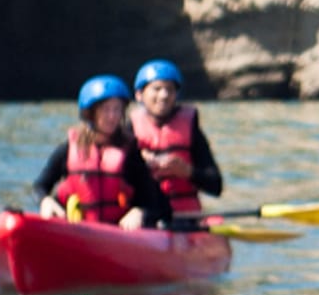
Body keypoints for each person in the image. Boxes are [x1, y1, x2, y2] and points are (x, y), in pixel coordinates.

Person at [32, 75, 169, 228]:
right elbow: (40, 186)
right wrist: (45, 201)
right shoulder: (68, 149)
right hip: (77, 230)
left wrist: (139, 212)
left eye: (117, 109)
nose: (112, 116)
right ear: (90, 113)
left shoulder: (130, 152)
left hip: (117, 234)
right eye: (105, 109)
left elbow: (153, 201)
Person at [126, 60, 223, 220]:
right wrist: (139, 163)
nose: (164, 95)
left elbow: (216, 186)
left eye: (169, 89)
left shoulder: (191, 130)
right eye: (157, 89)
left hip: (185, 218)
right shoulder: (128, 131)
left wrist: (187, 171)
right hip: (146, 216)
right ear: (139, 94)